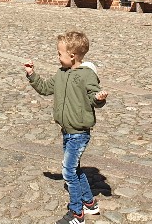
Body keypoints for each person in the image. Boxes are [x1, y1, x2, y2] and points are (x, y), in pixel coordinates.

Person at [24, 30, 108, 224]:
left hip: (79, 132)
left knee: (68, 171)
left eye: (59, 53)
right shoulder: (61, 74)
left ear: (72, 56)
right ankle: (89, 203)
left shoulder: (86, 76)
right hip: (67, 130)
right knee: (75, 169)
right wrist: (31, 75)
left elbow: (94, 96)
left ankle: (77, 213)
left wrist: (98, 98)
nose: (57, 56)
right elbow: (45, 88)